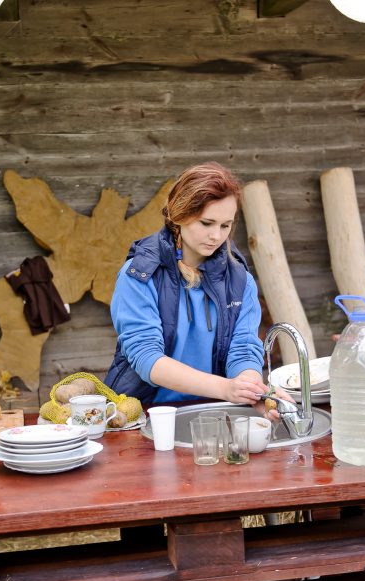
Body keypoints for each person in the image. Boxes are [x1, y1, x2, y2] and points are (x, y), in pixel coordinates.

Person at [104, 162, 270, 412]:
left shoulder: (239, 279)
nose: (216, 236)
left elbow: (244, 348)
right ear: (179, 215)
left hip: (214, 412)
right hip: (145, 414)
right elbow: (147, 357)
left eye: (225, 225)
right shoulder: (139, 274)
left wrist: (249, 386)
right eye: (206, 223)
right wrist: (225, 388)